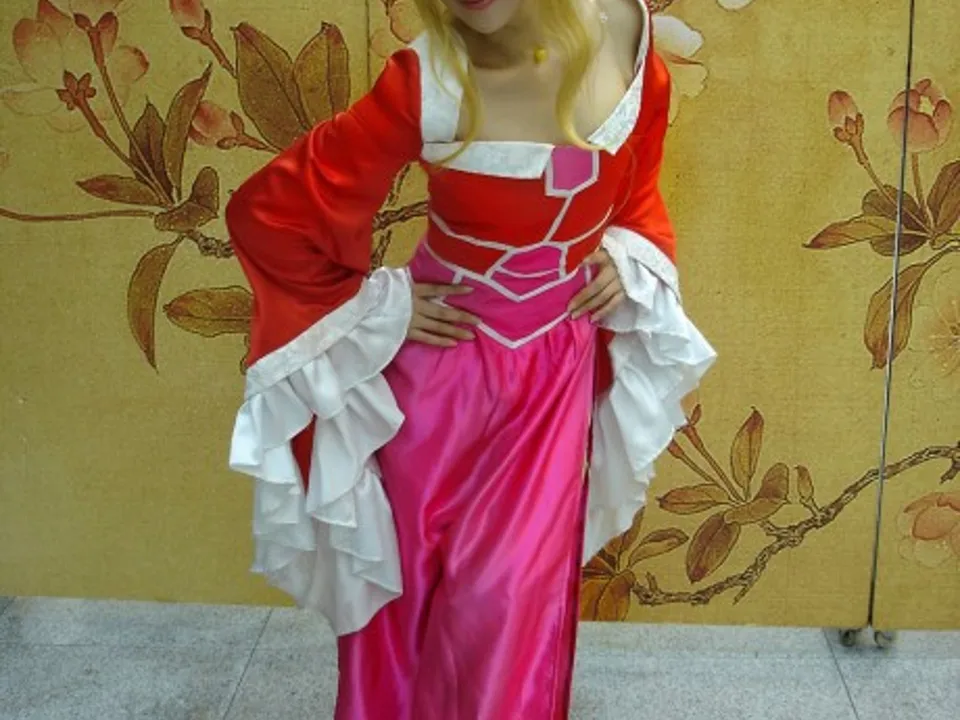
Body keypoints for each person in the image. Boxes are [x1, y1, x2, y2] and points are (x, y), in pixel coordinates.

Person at [226, 0, 715, 716]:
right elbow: (270, 215)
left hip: (553, 379)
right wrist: (382, 306)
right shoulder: (426, 83)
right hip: (438, 378)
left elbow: (637, 179)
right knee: (405, 595)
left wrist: (626, 249)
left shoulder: (627, 31)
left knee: (510, 598)